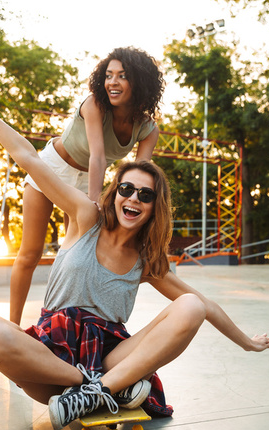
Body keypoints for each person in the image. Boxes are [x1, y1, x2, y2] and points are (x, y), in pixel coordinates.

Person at [0, 74, 269, 430]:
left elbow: (203, 305)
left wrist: (247, 344)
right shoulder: (86, 218)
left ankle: (98, 390)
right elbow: (29, 158)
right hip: (54, 358)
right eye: (126, 188)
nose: (133, 198)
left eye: (144, 195)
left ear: (153, 208)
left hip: (112, 360)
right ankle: (97, 389)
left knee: (190, 305)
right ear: (115, 192)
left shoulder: (147, 262)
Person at [11, 47, 165, 326]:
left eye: (122, 76)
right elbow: (98, 155)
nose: (112, 83)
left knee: (74, 256)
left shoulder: (148, 129)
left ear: (140, 82)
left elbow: (139, 176)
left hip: (88, 178)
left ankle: (58, 324)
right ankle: (13, 327)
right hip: (53, 166)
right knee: (31, 252)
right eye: (109, 75)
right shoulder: (94, 104)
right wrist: (95, 203)